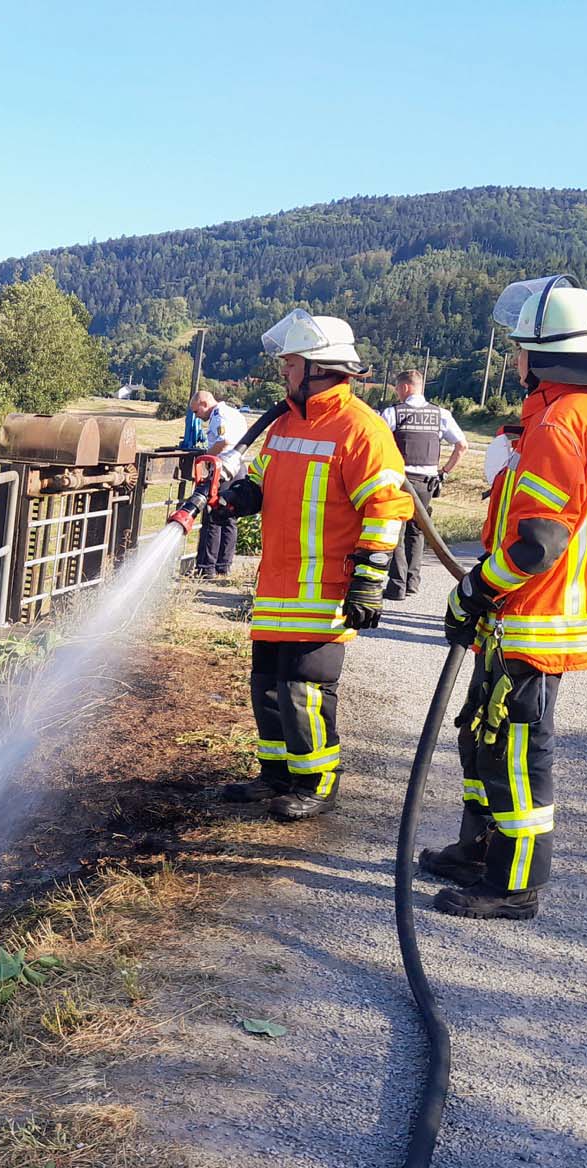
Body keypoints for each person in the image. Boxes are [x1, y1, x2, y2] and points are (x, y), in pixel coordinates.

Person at [425, 275, 587, 920]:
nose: (514, 359)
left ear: (547, 353)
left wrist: (476, 590)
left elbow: (537, 542)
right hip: (543, 613)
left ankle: (513, 884)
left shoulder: (560, 423)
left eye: (520, 348)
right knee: (479, 735)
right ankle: (479, 848)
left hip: (538, 617)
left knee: (515, 750)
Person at [213, 310, 410, 821]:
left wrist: (369, 581)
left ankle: (318, 782)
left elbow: (386, 508)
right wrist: (236, 498)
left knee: (306, 691)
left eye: (291, 364)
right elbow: (261, 478)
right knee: (268, 687)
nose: (284, 373)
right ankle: (275, 775)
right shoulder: (284, 424)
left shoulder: (361, 430)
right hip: (278, 584)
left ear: (319, 369)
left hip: (325, 588)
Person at [378, 369, 468, 599]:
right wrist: (444, 472)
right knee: (418, 532)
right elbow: (462, 446)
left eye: (398, 388)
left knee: (396, 531)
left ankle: (396, 586)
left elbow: (375, 441)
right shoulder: (441, 414)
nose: (397, 393)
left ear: (406, 387)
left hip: (400, 480)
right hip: (427, 482)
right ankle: (412, 582)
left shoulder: (393, 413)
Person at [190, 388, 250, 578]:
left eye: (196, 411)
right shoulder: (234, 413)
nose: (197, 416)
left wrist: (207, 457)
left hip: (223, 470)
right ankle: (224, 566)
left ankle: (206, 568)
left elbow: (225, 441)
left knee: (213, 517)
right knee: (229, 518)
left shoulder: (219, 415)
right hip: (238, 468)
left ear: (203, 404)